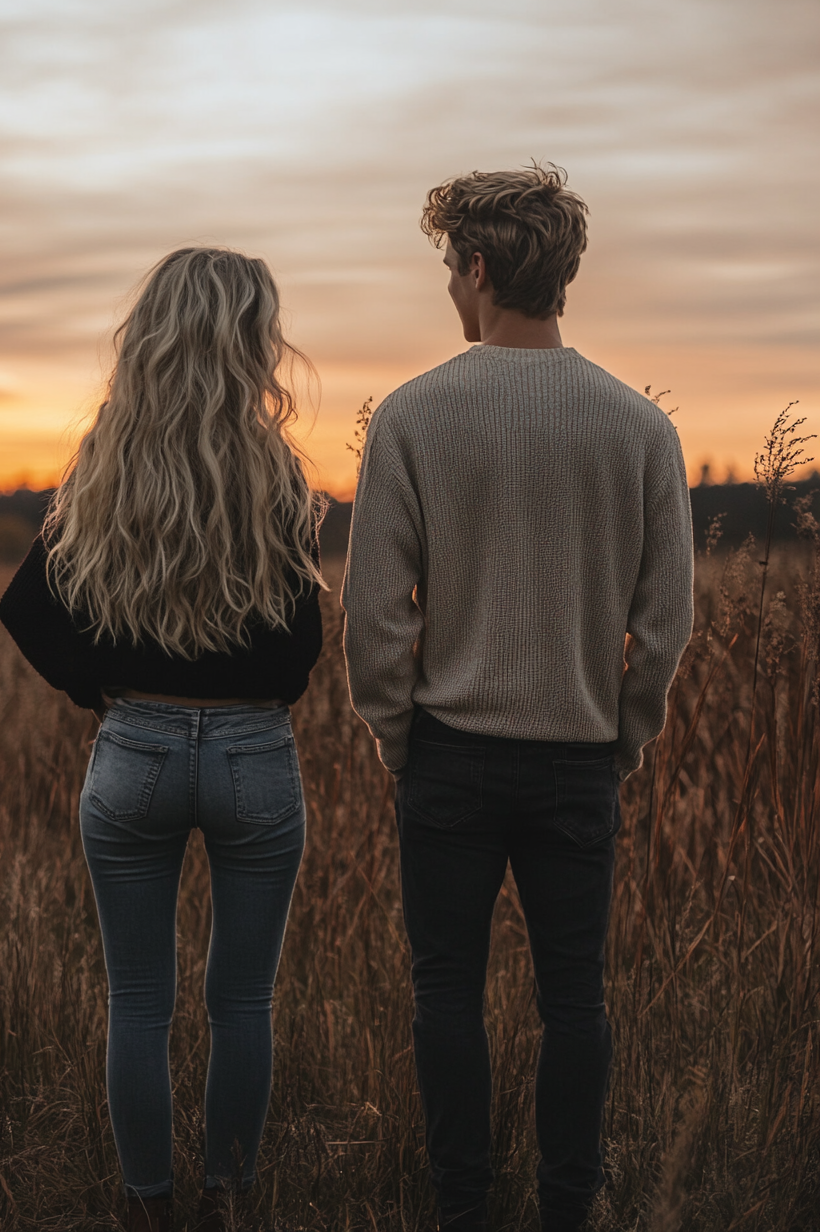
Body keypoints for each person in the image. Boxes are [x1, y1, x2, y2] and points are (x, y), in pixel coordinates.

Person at [342, 165, 694, 1232]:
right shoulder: (639, 429)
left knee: (444, 988)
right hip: (577, 755)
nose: (450, 292)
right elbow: (666, 621)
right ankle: (565, 1208)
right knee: (573, 998)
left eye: (451, 270)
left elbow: (373, 618)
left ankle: (460, 1208)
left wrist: (399, 739)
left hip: (446, 752)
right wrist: (619, 739)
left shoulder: (410, 415)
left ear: (481, 267)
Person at [0, 248, 325, 1232]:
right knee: (242, 1001)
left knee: (137, 999)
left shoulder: (102, 466)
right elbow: (300, 648)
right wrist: (246, 692)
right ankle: (227, 1197)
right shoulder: (275, 474)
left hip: (132, 750)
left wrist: (104, 690)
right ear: (248, 343)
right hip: (252, 757)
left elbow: (26, 607)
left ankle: (148, 1209)